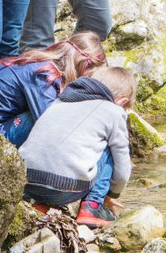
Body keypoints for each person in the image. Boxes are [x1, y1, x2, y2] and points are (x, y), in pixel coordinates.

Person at [19, 65, 137, 228]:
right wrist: (112, 193)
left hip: (27, 183)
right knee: (112, 148)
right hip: (64, 188)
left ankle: (41, 205)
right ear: (121, 101)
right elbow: (123, 167)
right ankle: (92, 207)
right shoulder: (113, 111)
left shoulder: (61, 100)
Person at [0, 31, 106, 146]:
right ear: (85, 65)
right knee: (46, 119)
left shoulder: (34, 62)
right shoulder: (43, 74)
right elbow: (50, 124)